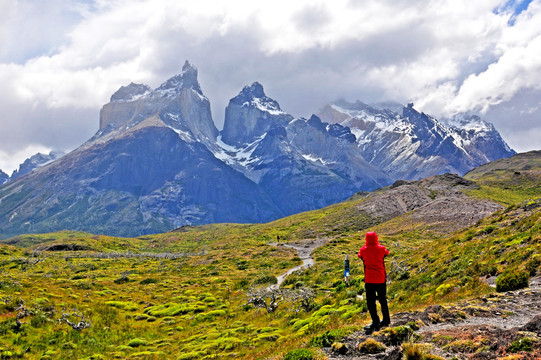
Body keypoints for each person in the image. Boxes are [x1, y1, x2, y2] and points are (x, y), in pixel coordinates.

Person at [358, 231, 390, 333]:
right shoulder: (381, 249)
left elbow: (360, 256)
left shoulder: (363, 250)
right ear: (376, 238)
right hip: (381, 279)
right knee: (382, 300)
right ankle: (386, 320)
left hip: (369, 279)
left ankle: (375, 322)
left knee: (371, 302)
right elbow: (386, 253)